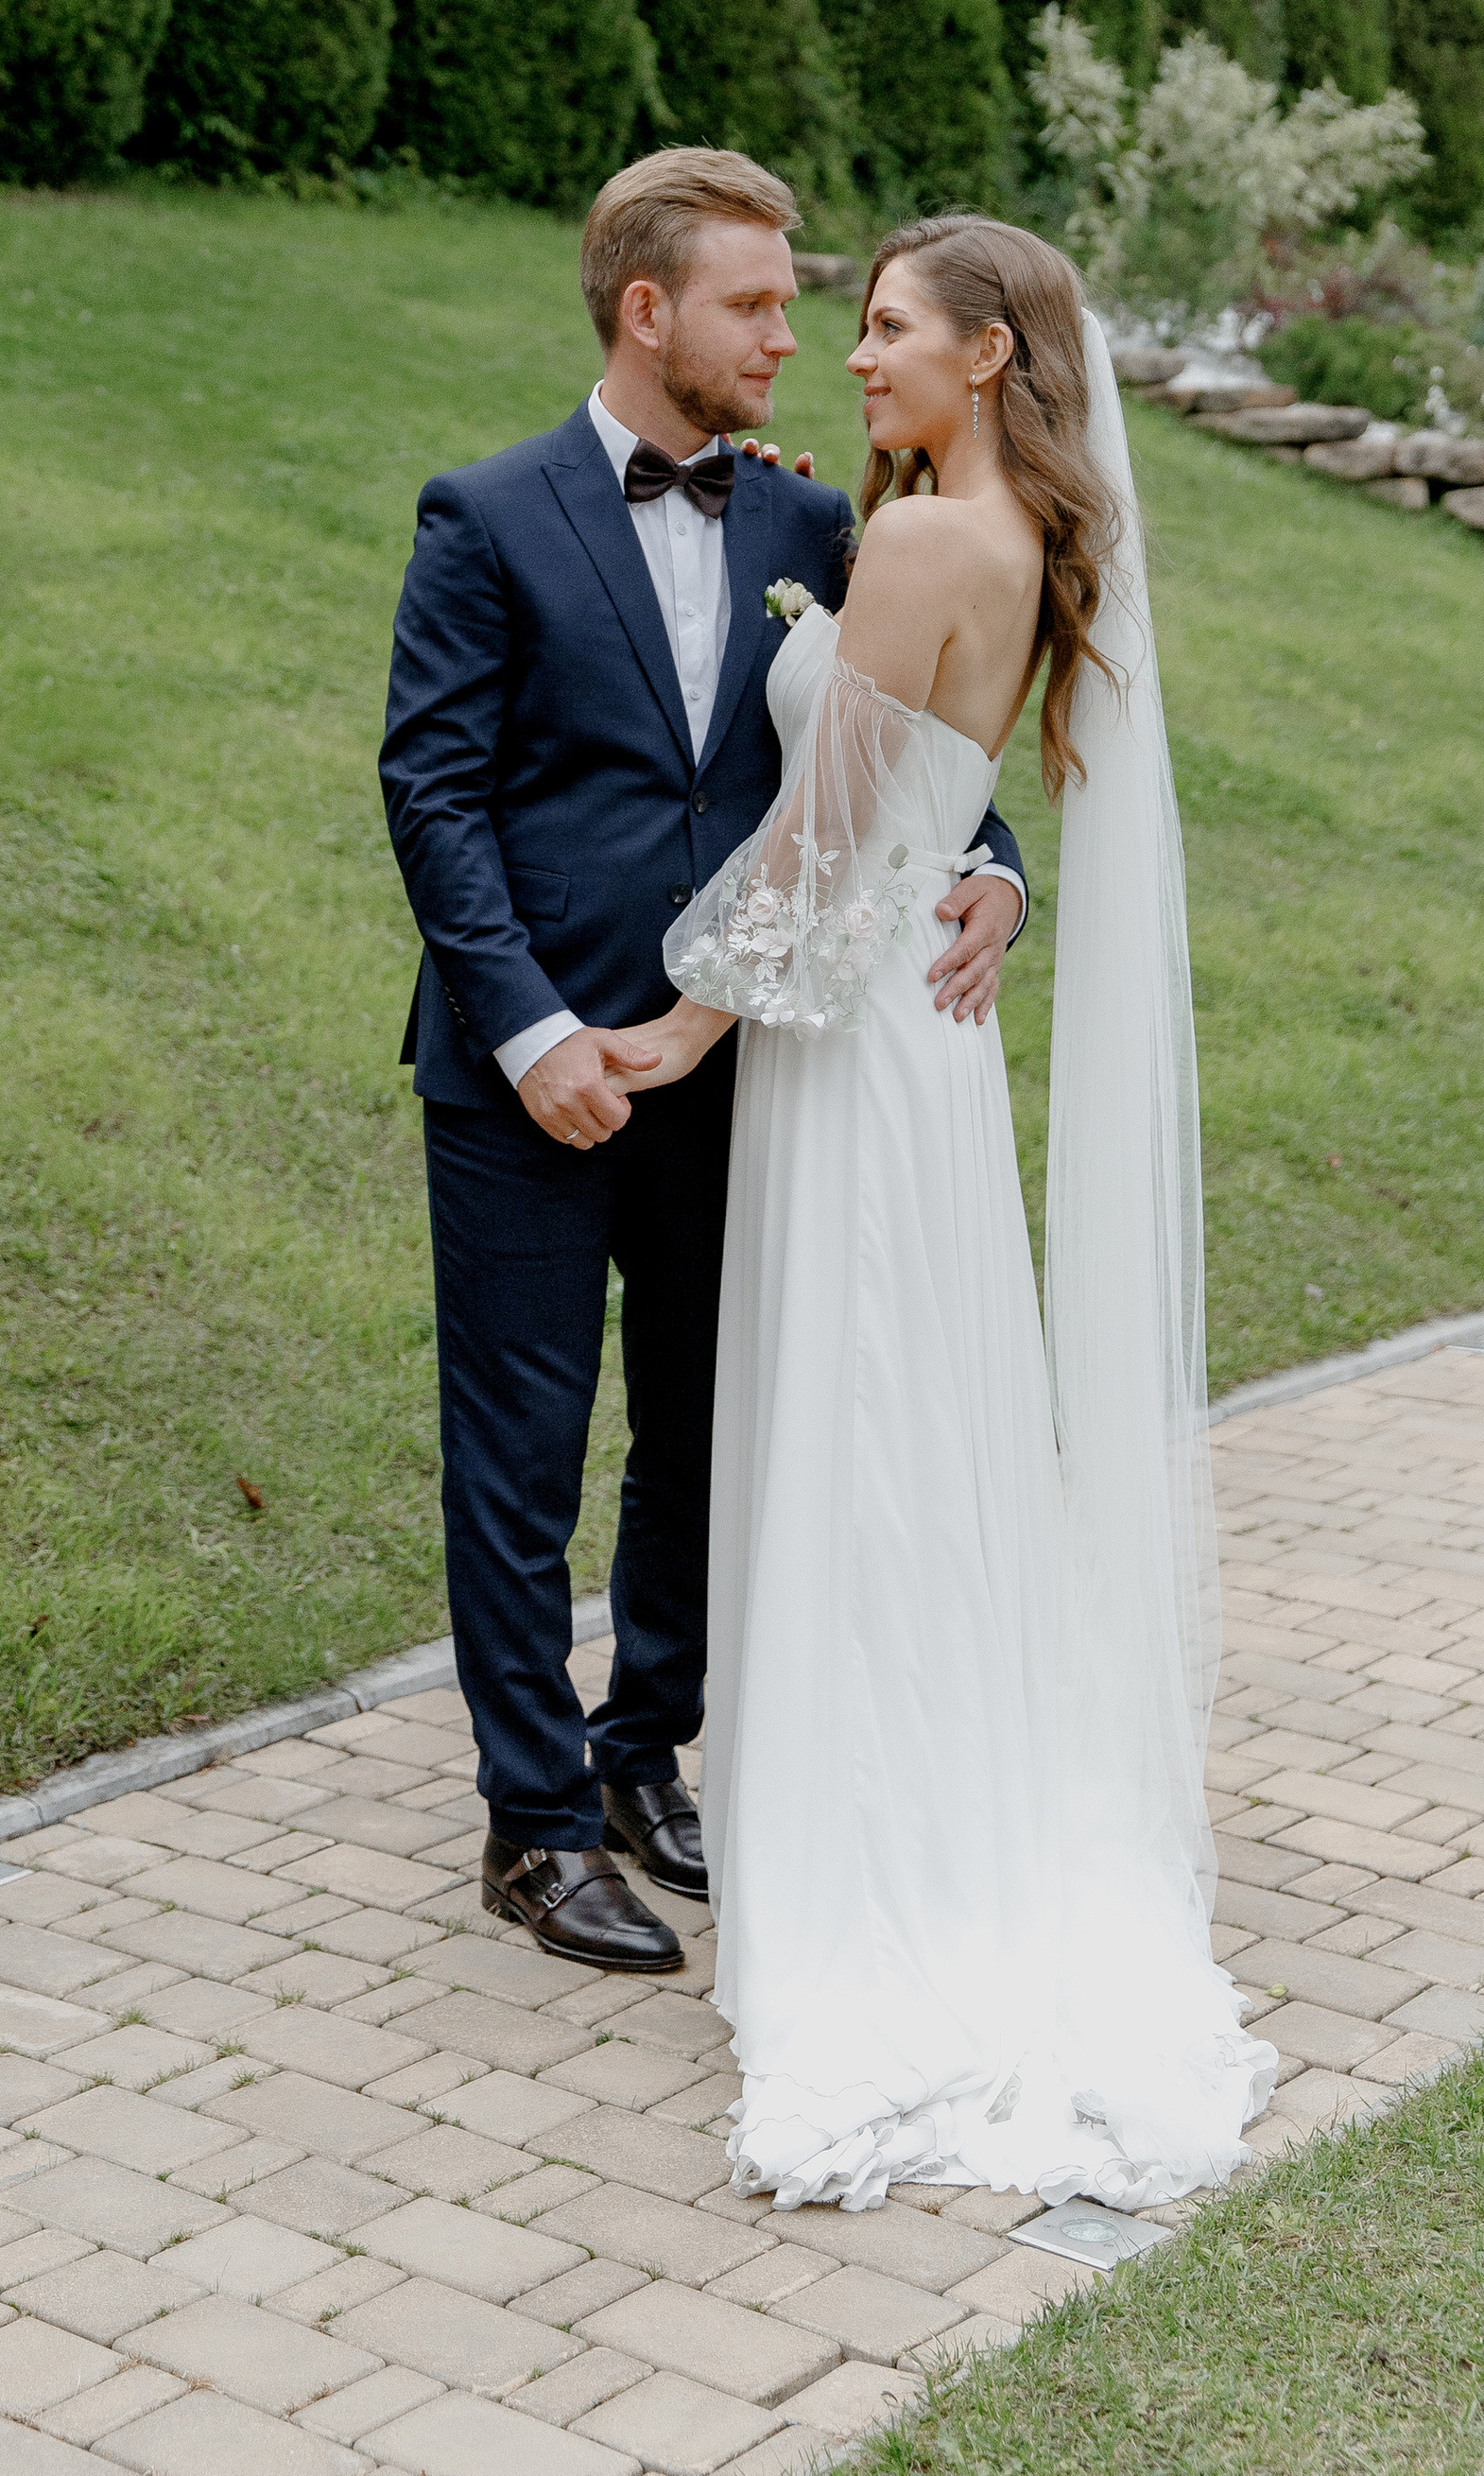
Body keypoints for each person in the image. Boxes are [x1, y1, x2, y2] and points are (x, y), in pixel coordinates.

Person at [622, 214, 1277, 2208]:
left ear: (990, 354)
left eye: (891, 329)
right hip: (919, 1027)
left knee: (861, 1408)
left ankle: (867, 1841)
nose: (853, 354)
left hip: (846, 1030)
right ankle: (923, 1785)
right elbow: (918, 793)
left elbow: (818, 841)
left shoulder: (915, 545)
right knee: (910, 1413)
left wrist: (670, 1029)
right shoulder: (980, 538)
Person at [378, 153, 1031, 1974]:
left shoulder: (816, 527)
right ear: (646, 309)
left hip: (738, 1061)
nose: (792, 334)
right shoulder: (485, 516)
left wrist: (996, 875)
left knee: (699, 1432)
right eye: (756, 302)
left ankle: (643, 1751)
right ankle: (530, 1821)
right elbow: (428, 798)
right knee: (515, 1451)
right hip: (528, 1063)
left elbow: (897, 755)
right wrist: (529, 1033)